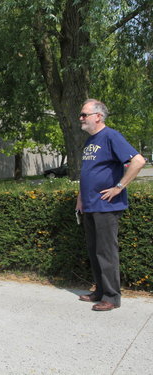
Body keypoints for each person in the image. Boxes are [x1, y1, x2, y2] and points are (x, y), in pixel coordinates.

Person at [76, 99, 145, 311]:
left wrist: (119, 187)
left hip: (106, 206)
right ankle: (99, 291)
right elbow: (88, 172)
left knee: (106, 253)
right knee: (94, 250)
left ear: (98, 116)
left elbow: (138, 161)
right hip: (89, 205)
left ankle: (112, 297)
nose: (80, 118)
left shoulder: (111, 136)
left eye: (84, 114)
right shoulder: (90, 141)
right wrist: (80, 198)